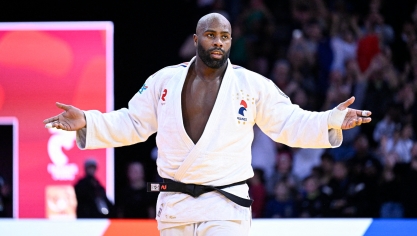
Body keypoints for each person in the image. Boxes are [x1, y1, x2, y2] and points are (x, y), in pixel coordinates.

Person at [44, 13, 371, 235]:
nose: (218, 42)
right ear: (196, 38)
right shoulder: (165, 81)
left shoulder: (250, 85)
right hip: (175, 206)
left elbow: (288, 121)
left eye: (225, 37)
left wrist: (331, 120)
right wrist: (87, 119)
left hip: (225, 205)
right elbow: (132, 121)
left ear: (231, 42)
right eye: (211, 35)